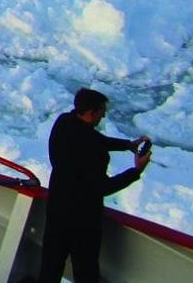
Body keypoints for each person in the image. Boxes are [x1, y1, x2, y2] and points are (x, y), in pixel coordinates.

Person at [36, 87, 152, 283]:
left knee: (50, 267)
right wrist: (136, 171)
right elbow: (103, 187)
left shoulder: (64, 123)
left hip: (57, 211)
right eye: (101, 112)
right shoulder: (92, 151)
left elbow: (94, 138)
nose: (103, 116)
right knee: (85, 271)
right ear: (91, 112)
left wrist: (127, 145)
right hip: (83, 221)